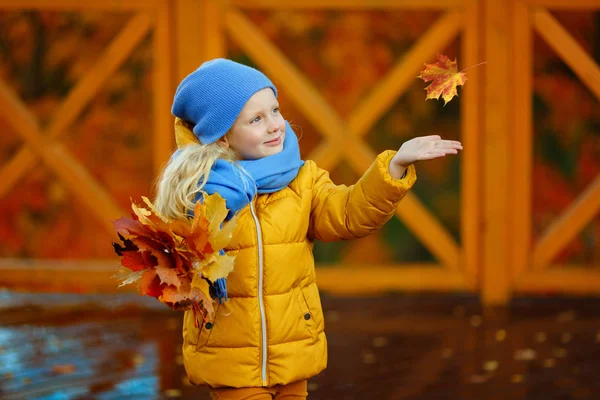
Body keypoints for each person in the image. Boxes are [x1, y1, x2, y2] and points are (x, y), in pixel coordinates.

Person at [154, 58, 462, 400]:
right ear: (222, 137)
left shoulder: (301, 179)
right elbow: (175, 271)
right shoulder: (195, 193)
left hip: (294, 351)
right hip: (230, 359)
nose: (275, 125)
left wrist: (395, 166)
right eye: (256, 119)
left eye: (275, 110)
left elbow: (347, 214)